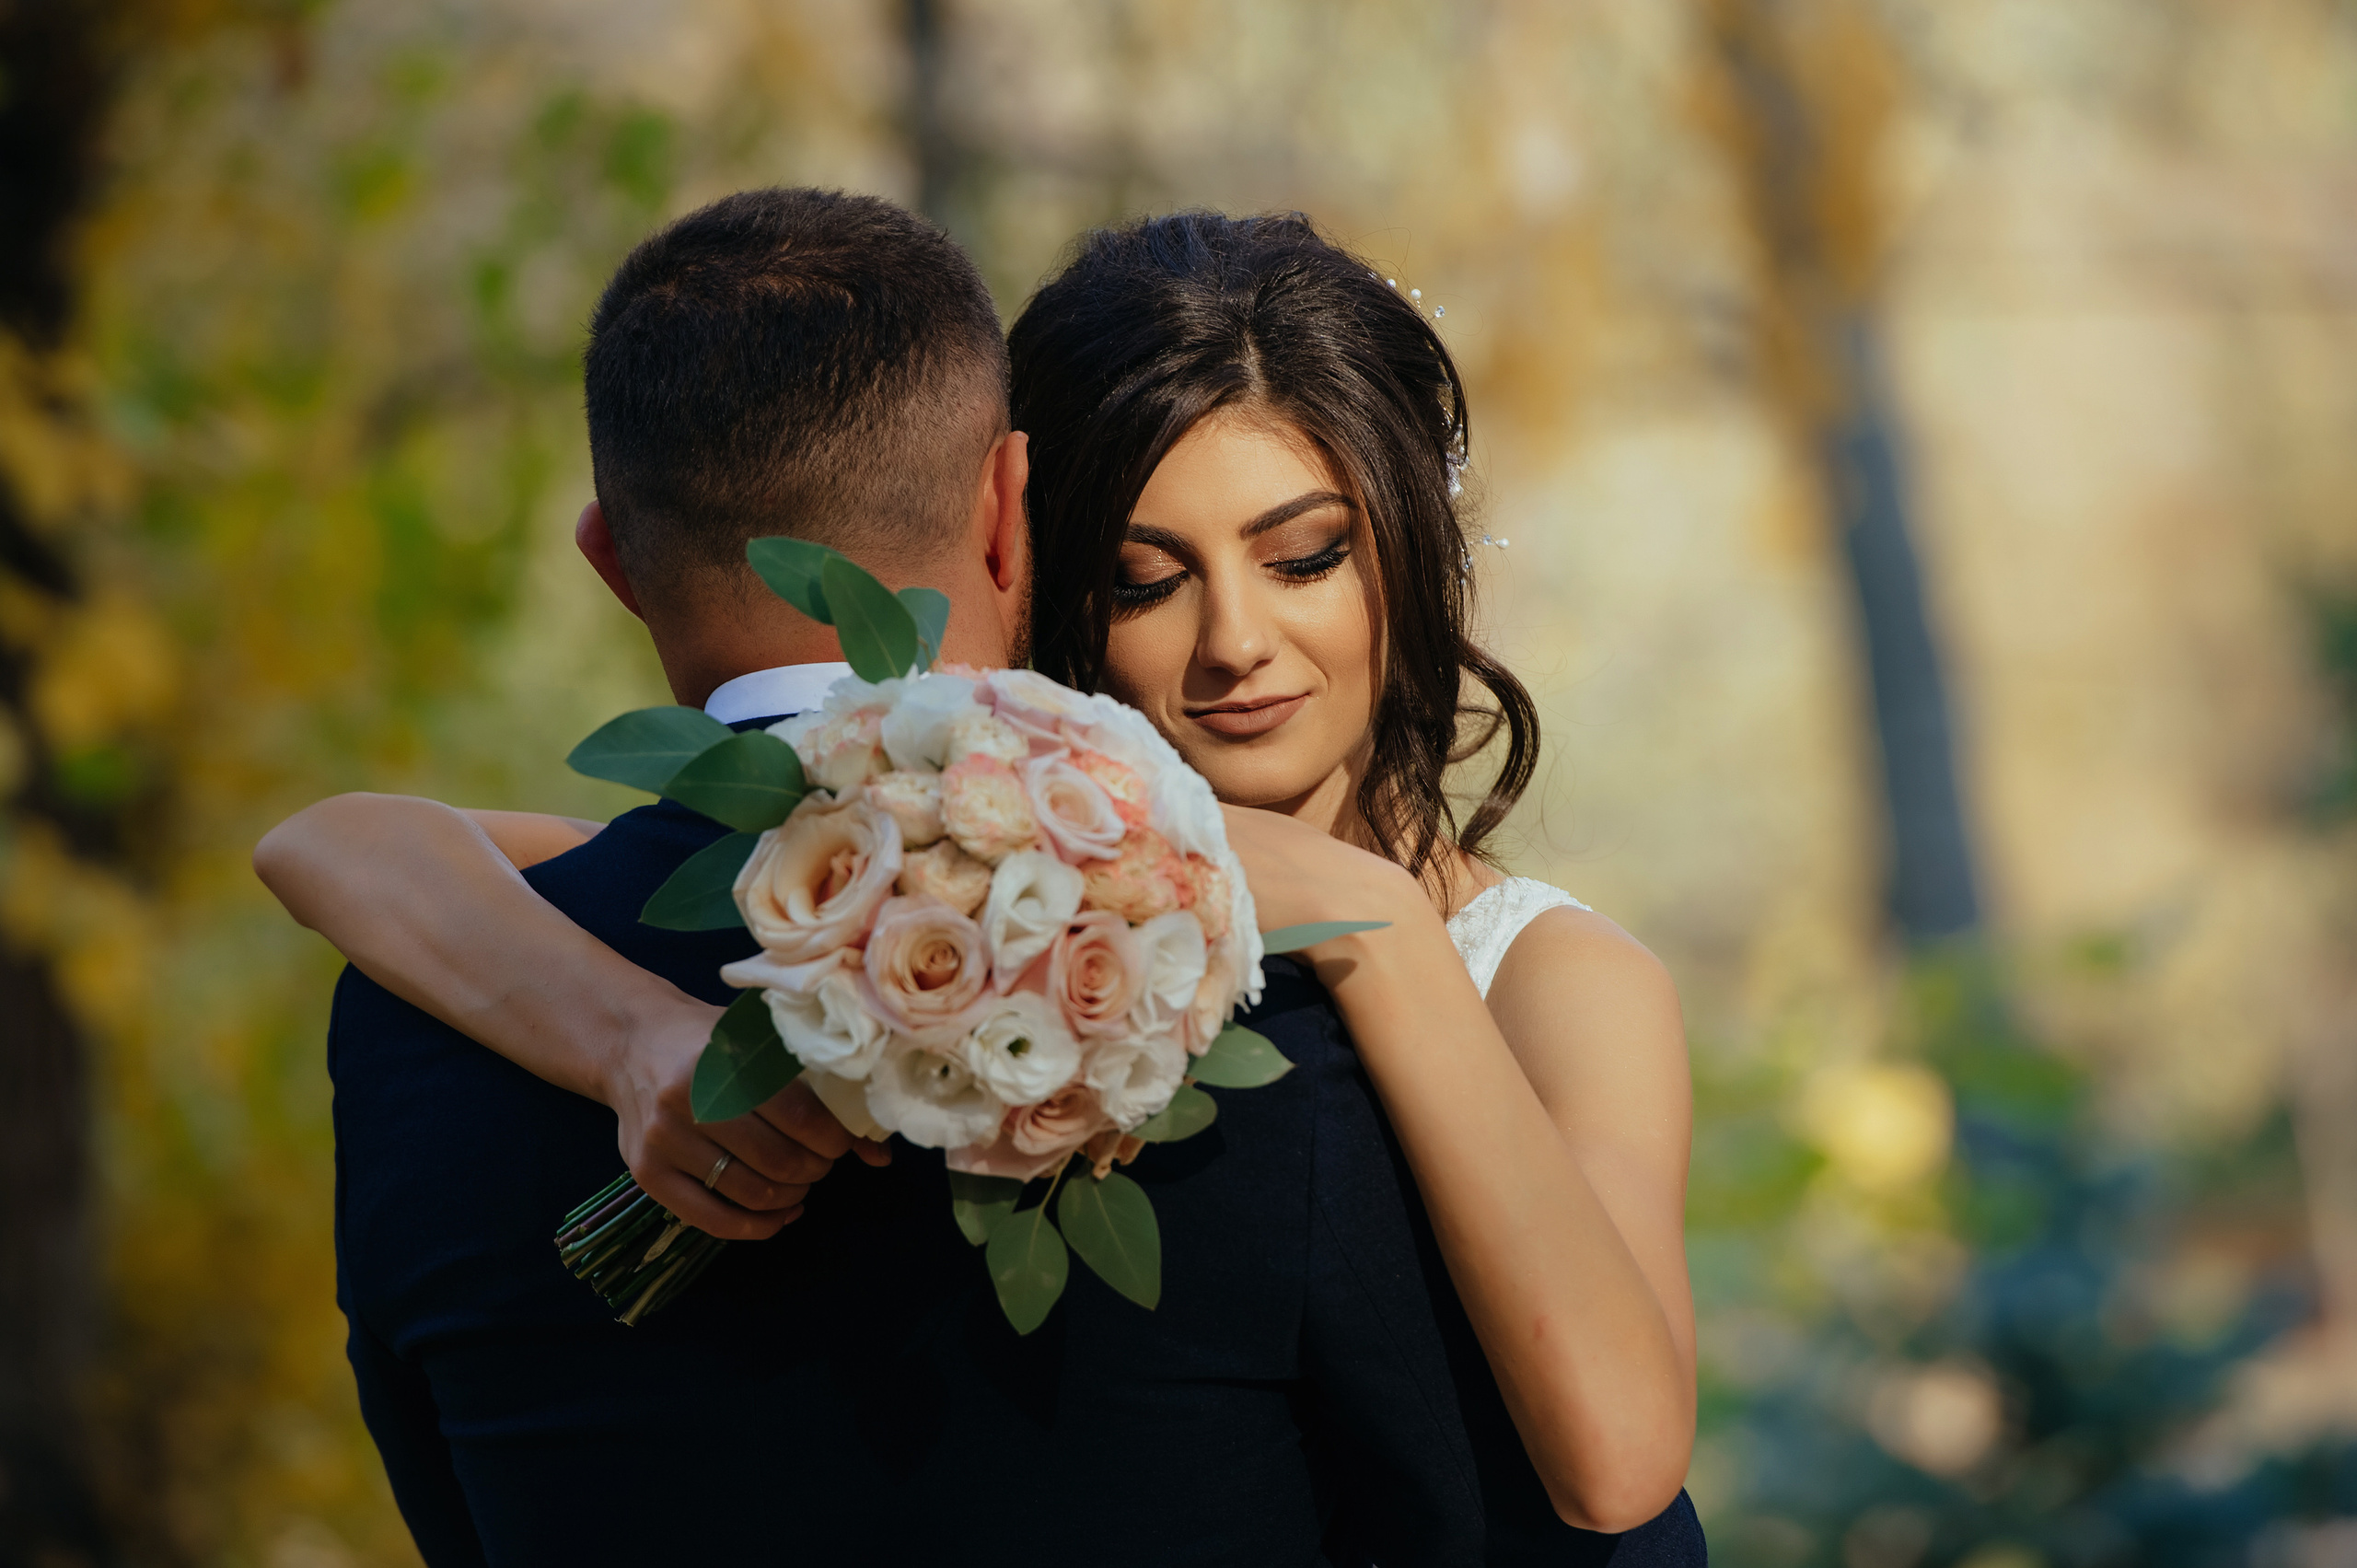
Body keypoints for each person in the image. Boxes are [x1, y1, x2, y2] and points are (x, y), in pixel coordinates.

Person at [260, 192, 1704, 1564]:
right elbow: (351, 843)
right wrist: (637, 1044)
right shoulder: (945, 845)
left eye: (1306, 557)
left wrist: (1380, 922)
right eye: (1146, 581)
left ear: (1406, 547)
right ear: (1030, 554)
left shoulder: (1548, 976)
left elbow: (1616, 1483)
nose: (1236, 643)